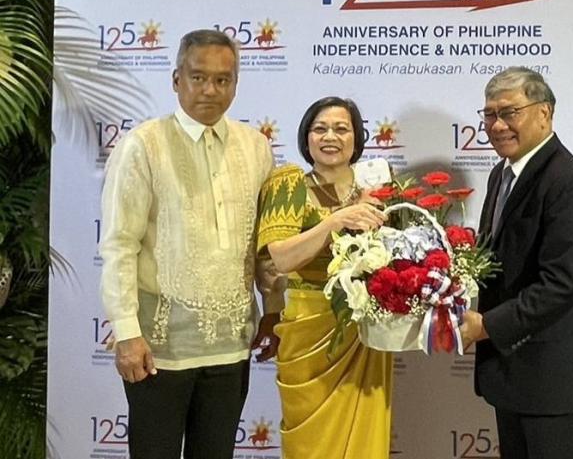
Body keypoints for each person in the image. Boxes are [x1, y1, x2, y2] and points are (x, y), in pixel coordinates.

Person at [99, 29, 281, 459]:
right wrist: (127, 333)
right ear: (176, 79)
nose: (210, 90)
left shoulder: (256, 148)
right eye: (198, 77)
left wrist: (273, 310)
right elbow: (119, 245)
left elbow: (264, 243)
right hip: (158, 348)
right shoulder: (143, 145)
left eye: (223, 80)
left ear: (235, 83)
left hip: (232, 345)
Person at [460, 67, 573, 459]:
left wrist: (487, 326)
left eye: (509, 112)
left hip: (554, 381)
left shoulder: (568, 183)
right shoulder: (502, 174)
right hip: (512, 375)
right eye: (489, 114)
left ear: (544, 113)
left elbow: (561, 284)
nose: (497, 125)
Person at [255, 96, 390, 459]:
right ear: (306, 137)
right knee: (310, 444)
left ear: (357, 138)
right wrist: (335, 222)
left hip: (365, 328)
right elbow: (282, 257)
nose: (330, 137)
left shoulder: (379, 185)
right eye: (320, 129)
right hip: (307, 327)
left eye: (341, 129)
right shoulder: (288, 184)